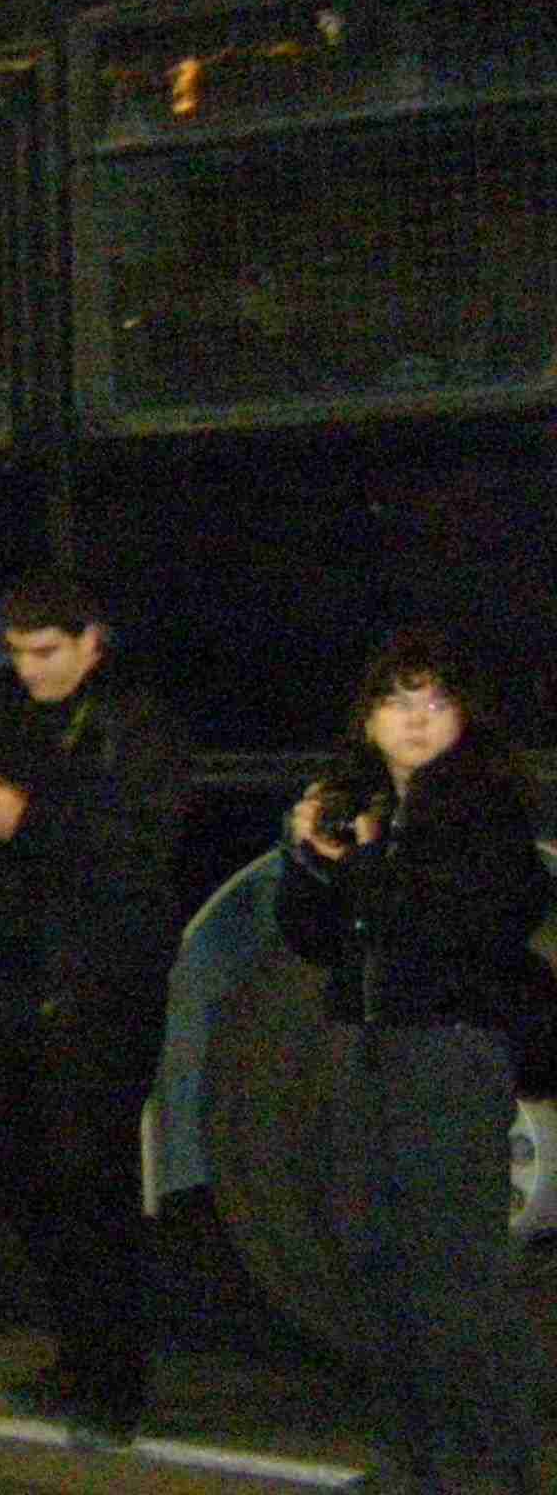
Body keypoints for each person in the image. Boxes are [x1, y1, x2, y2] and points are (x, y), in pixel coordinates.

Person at [277, 628, 547, 1495]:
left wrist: (364, 863)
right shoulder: (365, 807)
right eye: (397, 702)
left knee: (456, 1272)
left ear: (465, 717)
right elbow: (311, 938)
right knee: (374, 1259)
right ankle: (412, 1464)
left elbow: (456, 926)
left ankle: (492, 1470)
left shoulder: (485, 811)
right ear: (368, 718)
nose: (417, 720)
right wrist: (309, 862)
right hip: (362, 1049)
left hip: (447, 1053)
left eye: (435, 702)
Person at [0, 569, 190, 1448]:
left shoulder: (135, 724)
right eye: (17, 653)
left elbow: (137, 849)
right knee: (30, 1178)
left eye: (45, 652)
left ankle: (114, 1385)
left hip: (98, 987)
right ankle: (77, 1360)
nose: (29, 669)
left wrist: (28, 823)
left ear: (91, 643)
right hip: (12, 981)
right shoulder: (5, 720)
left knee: (91, 1183)